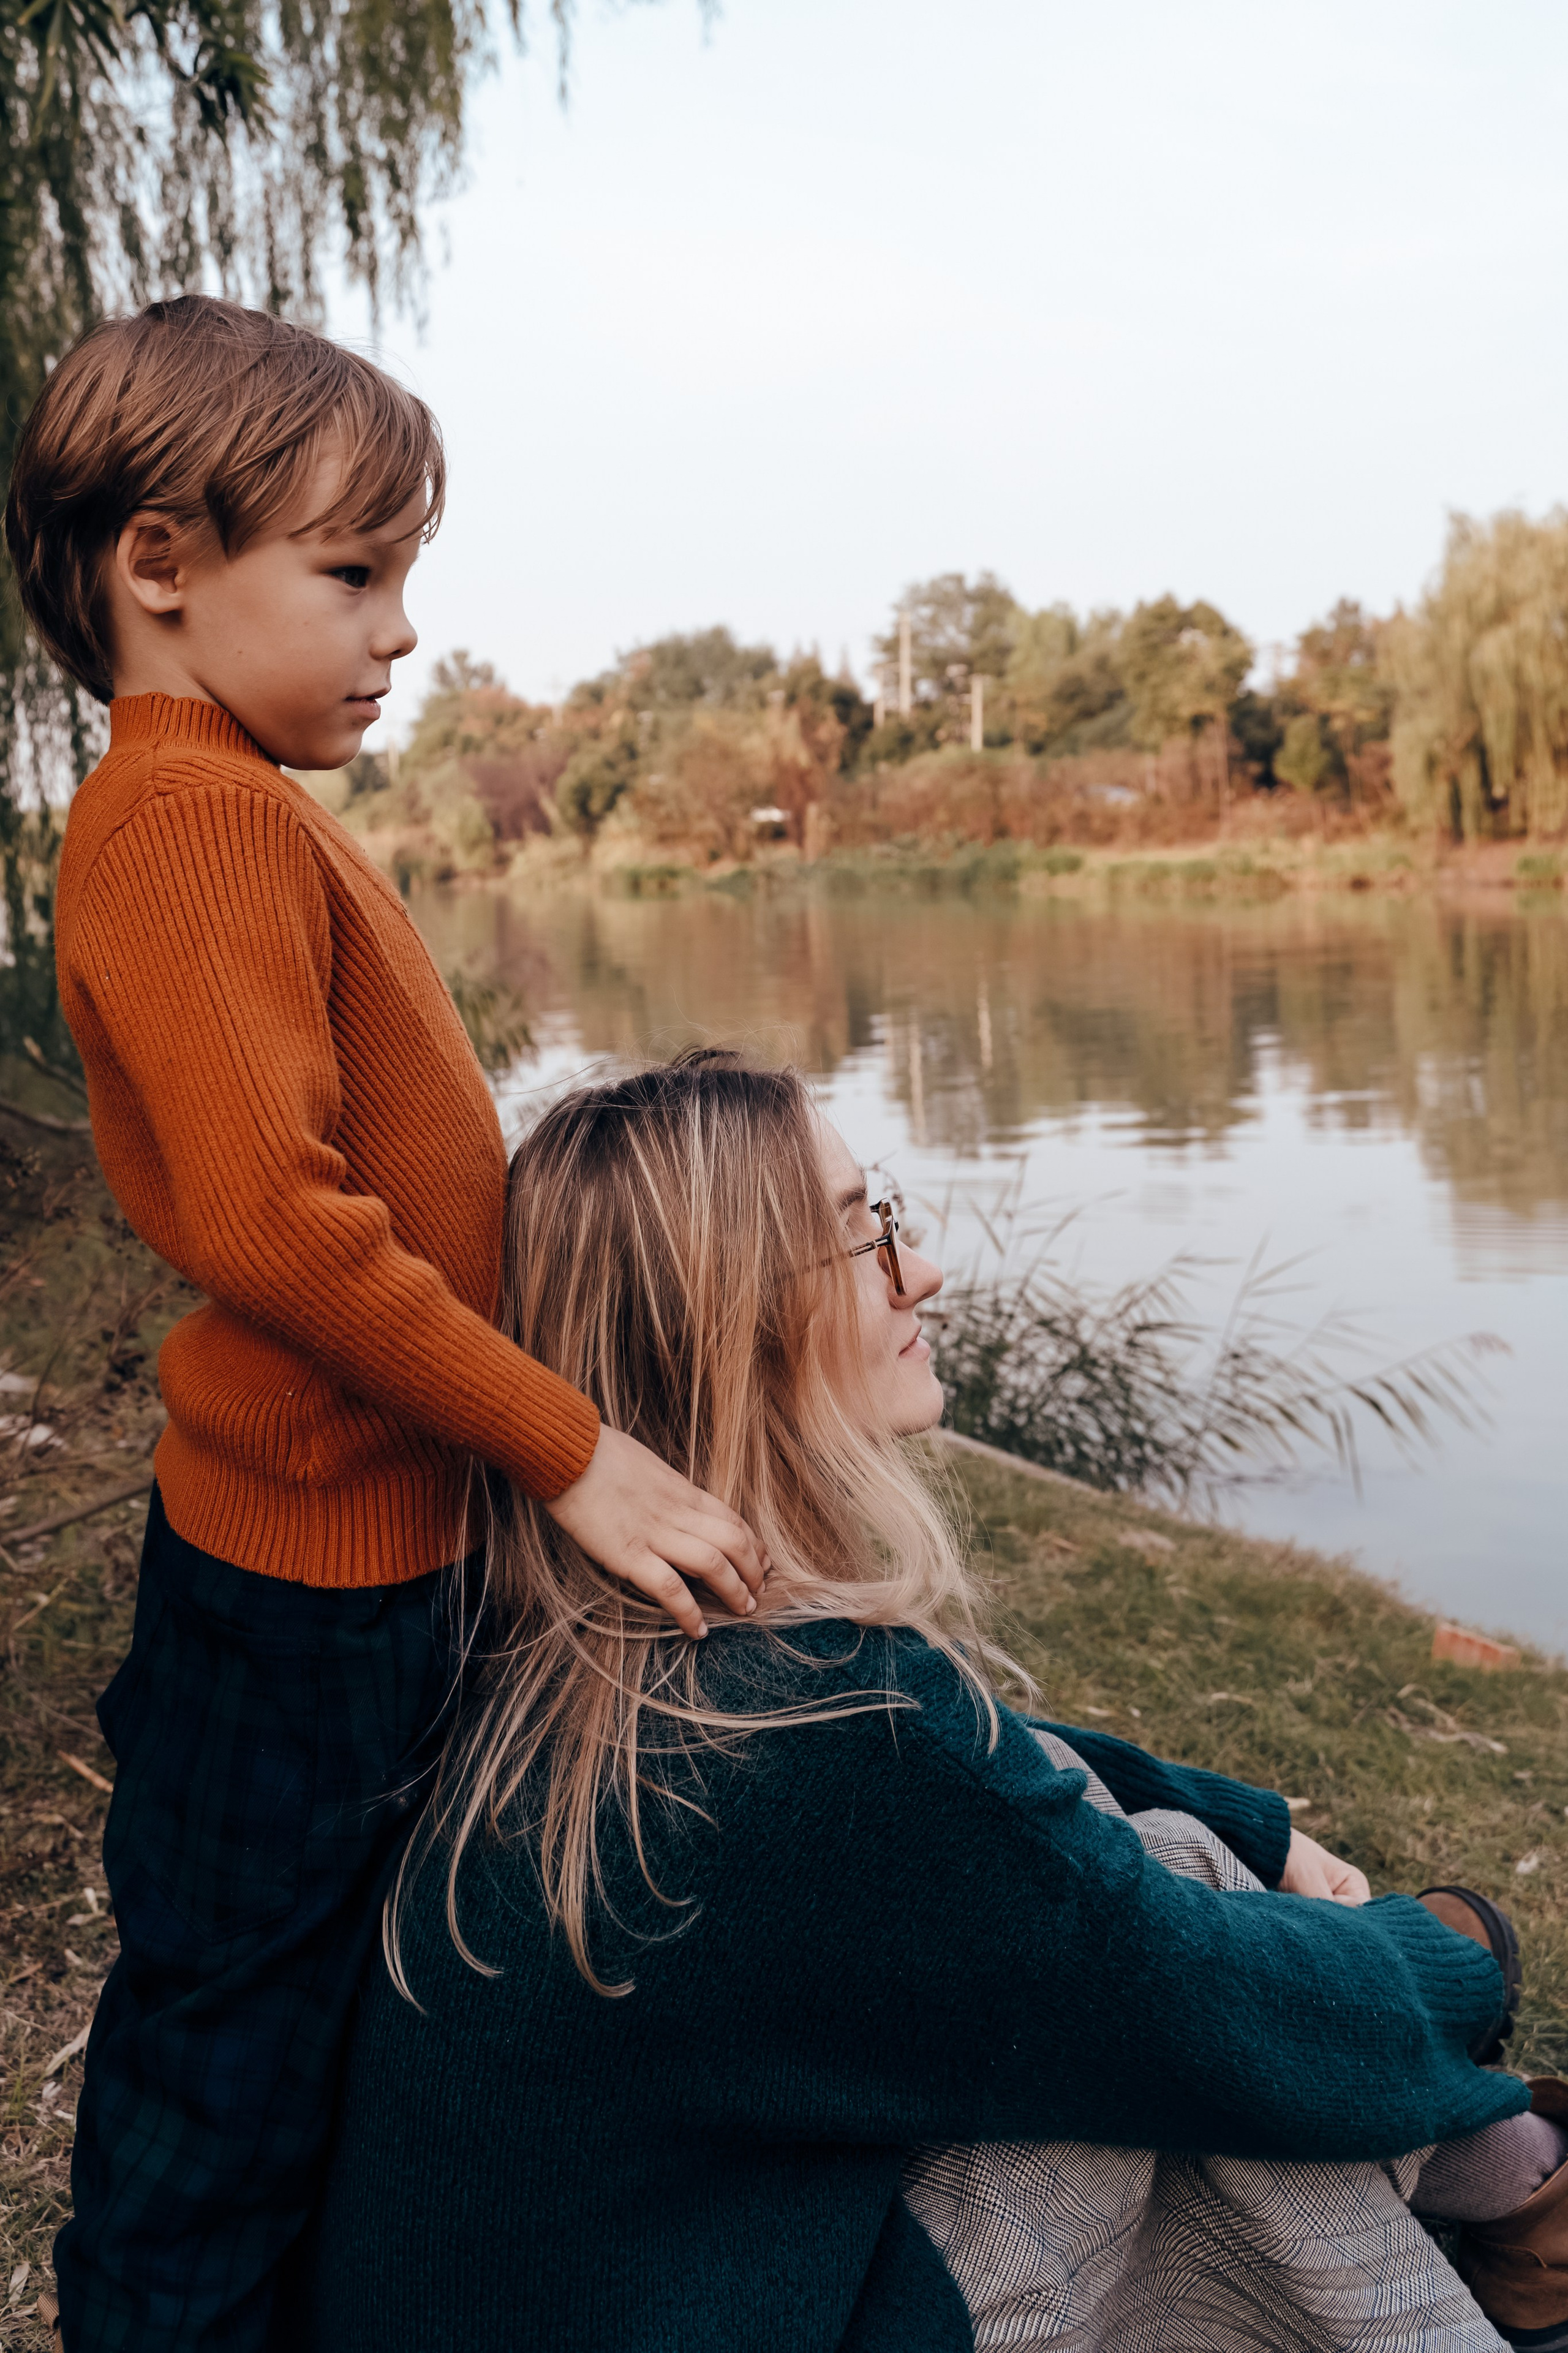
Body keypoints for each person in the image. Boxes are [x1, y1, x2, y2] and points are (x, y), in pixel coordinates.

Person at [306, 1052, 1568, 2353]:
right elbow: (1204, 2010)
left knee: (1157, 1888)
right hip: (684, 2301)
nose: (923, 1274)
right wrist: (1454, 1958)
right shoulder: (828, 1731)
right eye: (866, 1237)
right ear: (733, 1316)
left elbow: (1013, 1784)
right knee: (1177, 2088)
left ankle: (1525, 2217)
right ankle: (1527, 2209)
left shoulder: (590, 1640)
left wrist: (1237, 1825)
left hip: (608, 2286)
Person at [3, 299, 766, 2353]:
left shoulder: (226, 809)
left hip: (352, 1558)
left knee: (315, 2016)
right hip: (295, 1583)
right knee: (225, 2067)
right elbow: (280, 1223)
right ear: (159, 563)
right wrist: (575, 1447)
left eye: (403, 578)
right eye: (354, 574)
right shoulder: (191, 825)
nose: (401, 630)